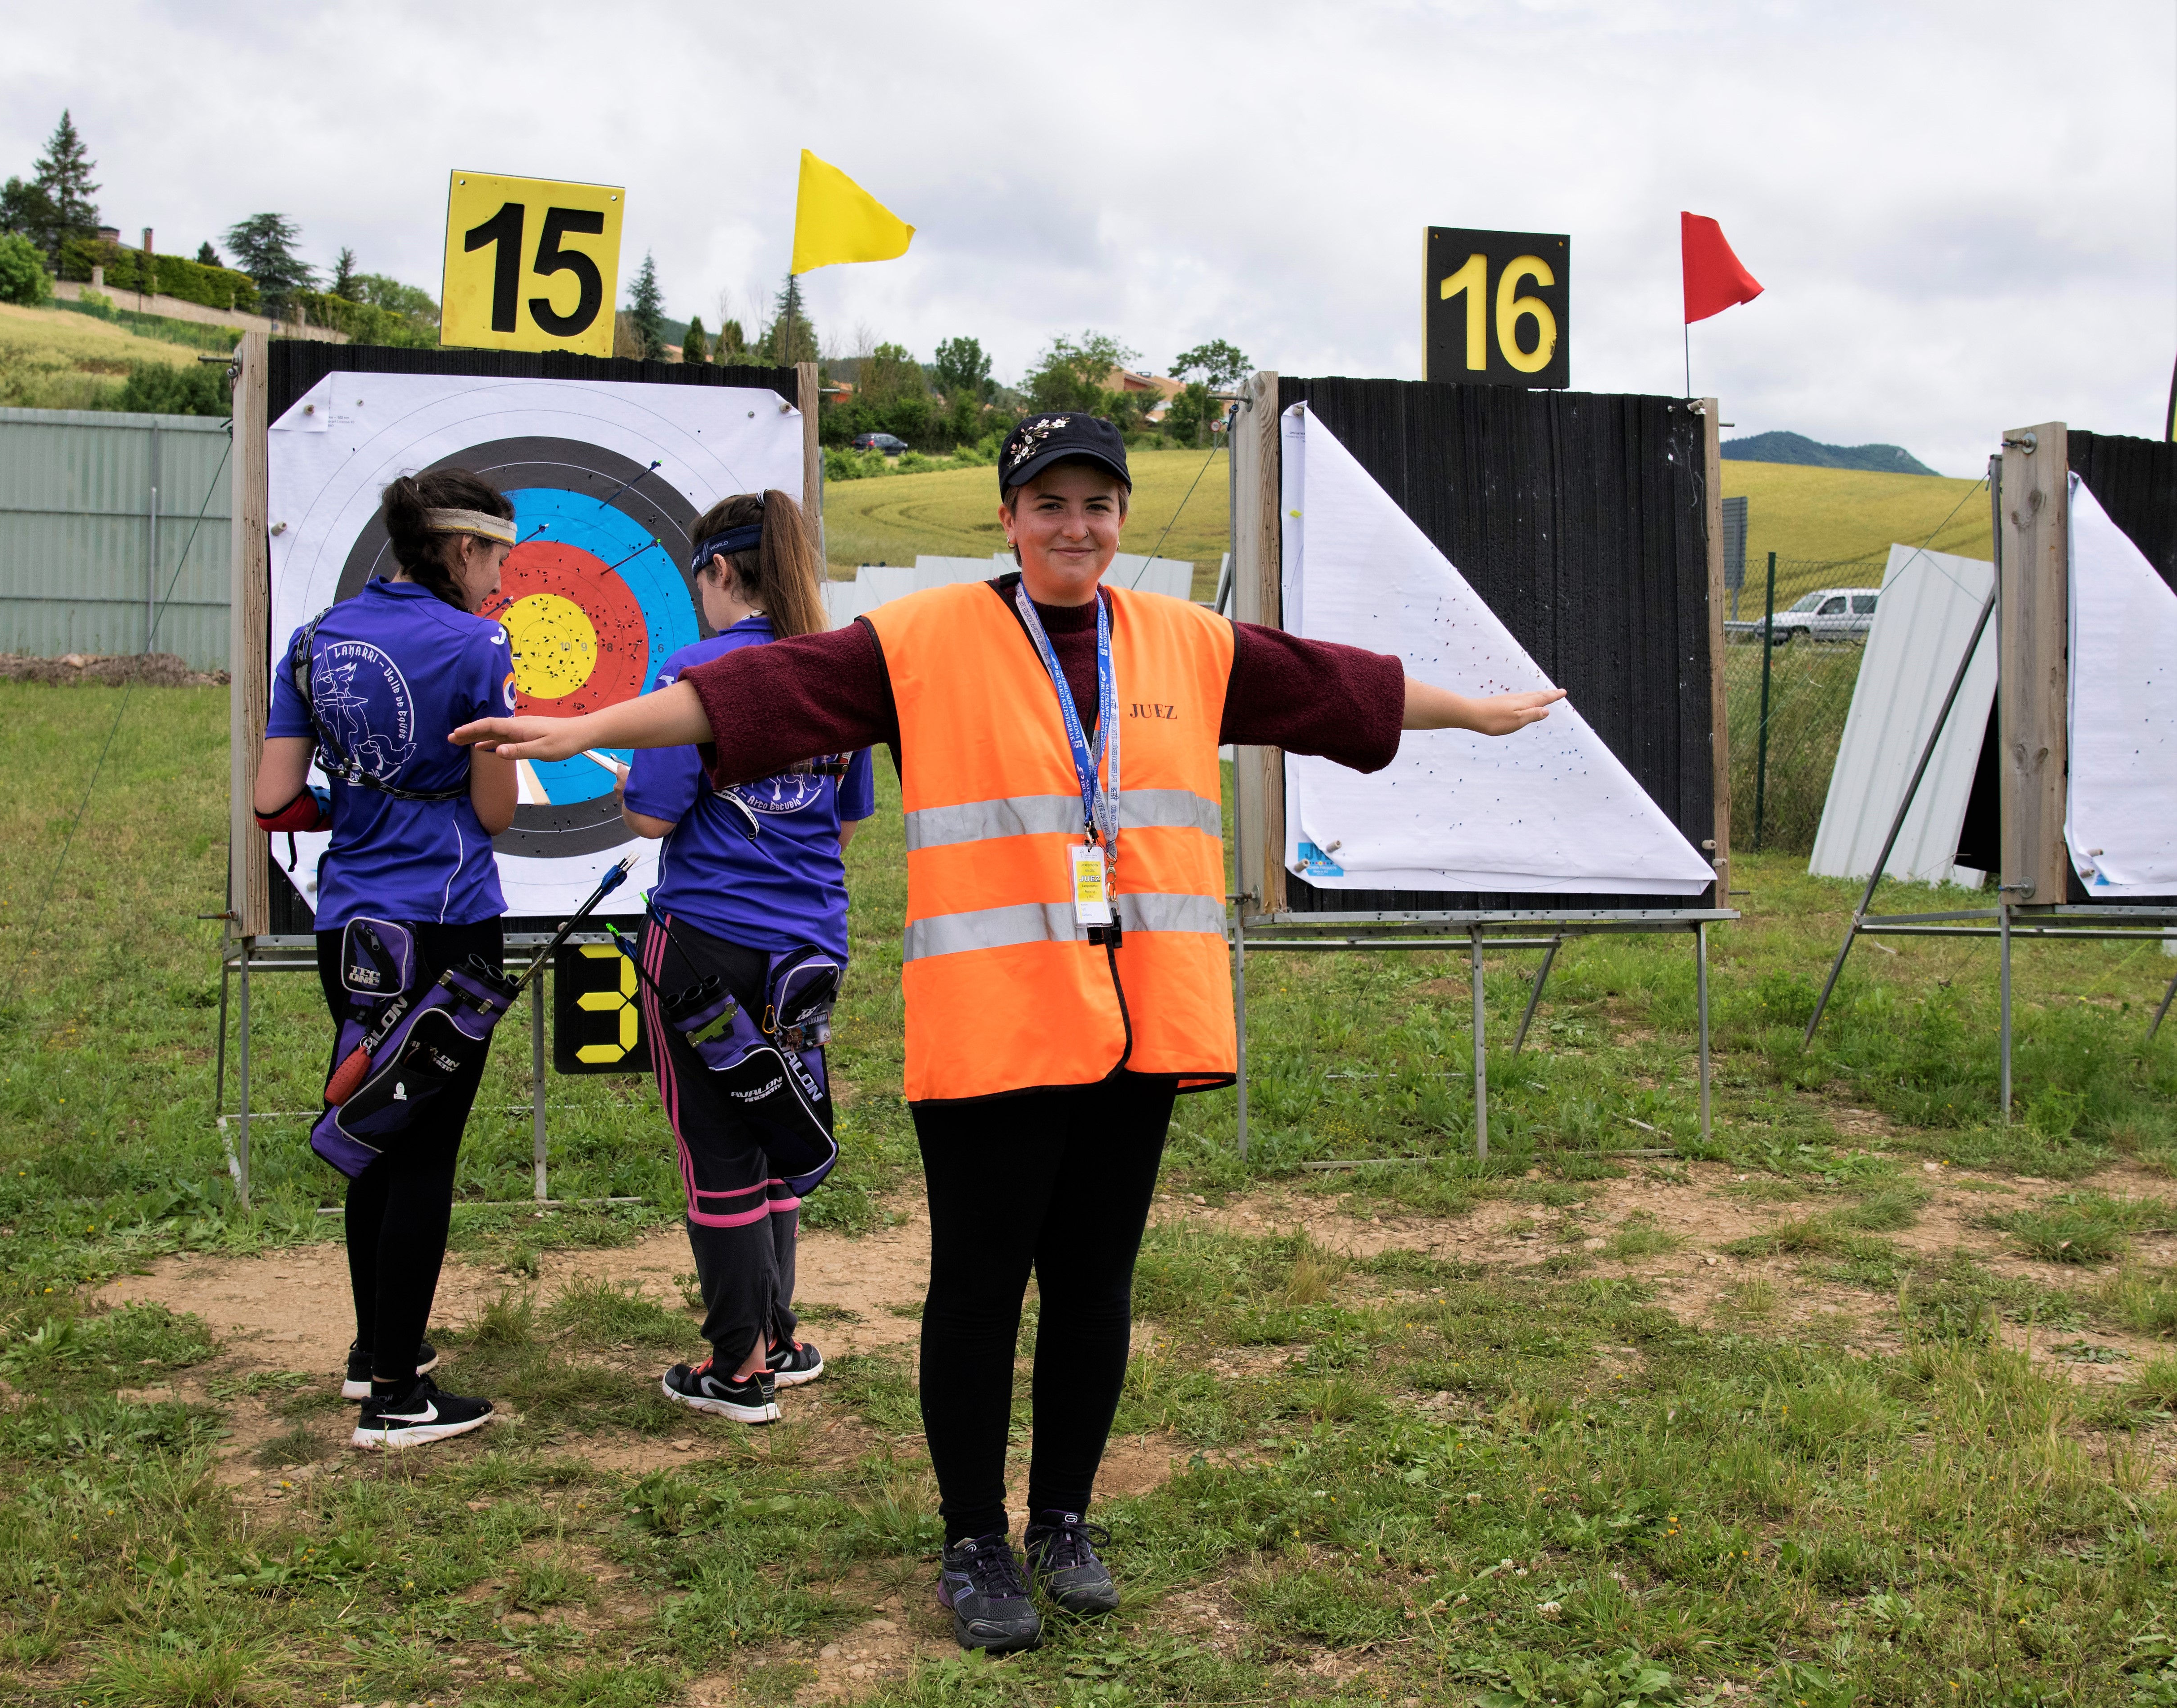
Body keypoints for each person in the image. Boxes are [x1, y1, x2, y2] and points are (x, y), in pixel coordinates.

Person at [450, 414, 1563, 1647]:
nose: (1073, 525)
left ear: (1121, 518)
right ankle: (973, 1537)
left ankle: (1065, 1520)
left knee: (1093, 1287)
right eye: (1048, 504)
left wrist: (1471, 710)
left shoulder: (1184, 642)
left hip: (1137, 1025)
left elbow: (1328, 685)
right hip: (993, 1026)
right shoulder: (925, 639)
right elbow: (758, 692)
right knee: (978, 1289)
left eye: (1096, 503)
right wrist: (584, 729)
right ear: (1008, 518)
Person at [255, 467, 522, 1452]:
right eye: (495, 554)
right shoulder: (477, 643)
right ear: (460, 549)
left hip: (352, 923)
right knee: (424, 1152)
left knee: (372, 1128)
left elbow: (277, 798)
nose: (501, 575)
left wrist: (364, 802)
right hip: (447, 924)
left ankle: (376, 1350)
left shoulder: (316, 640)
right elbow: (494, 811)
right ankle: (399, 1396)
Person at [617, 489, 873, 1425]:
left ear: (719, 572)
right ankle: (780, 1335)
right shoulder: (835, 674)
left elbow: (650, 815)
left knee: (717, 1152)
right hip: (808, 947)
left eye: (696, 581)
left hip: (703, 944)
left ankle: (737, 1369)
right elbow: (840, 824)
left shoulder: (697, 670)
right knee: (774, 1126)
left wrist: (630, 780)